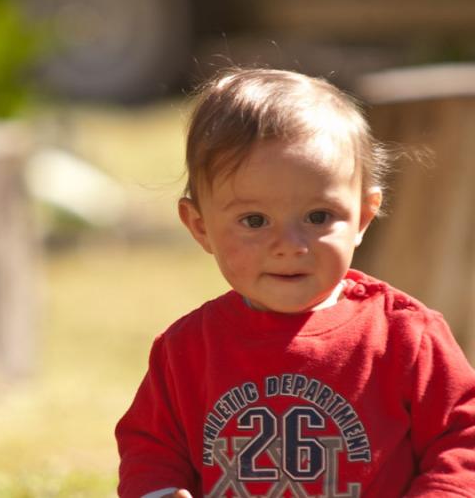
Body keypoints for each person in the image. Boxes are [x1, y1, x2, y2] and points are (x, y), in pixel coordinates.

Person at [115, 68, 475, 497]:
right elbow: (151, 449)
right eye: (254, 221)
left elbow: (461, 437)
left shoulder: (404, 336)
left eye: (318, 217)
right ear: (200, 226)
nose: (289, 245)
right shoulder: (186, 351)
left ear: (363, 215)